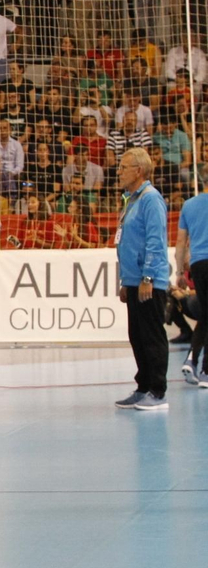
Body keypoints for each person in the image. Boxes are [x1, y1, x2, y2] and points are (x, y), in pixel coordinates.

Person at [115, 147, 171, 410]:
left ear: (138, 170)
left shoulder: (151, 199)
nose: (119, 171)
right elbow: (125, 243)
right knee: (137, 335)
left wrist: (148, 276)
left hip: (149, 281)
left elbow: (155, 241)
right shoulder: (132, 200)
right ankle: (144, 386)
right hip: (134, 280)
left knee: (152, 336)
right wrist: (125, 281)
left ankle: (157, 392)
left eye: (123, 167)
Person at [175, 186, 208, 387]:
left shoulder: (189, 205)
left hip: (197, 264)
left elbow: (180, 242)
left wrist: (179, 273)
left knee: (205, 314)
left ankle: (192, 360)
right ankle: (205, 369)